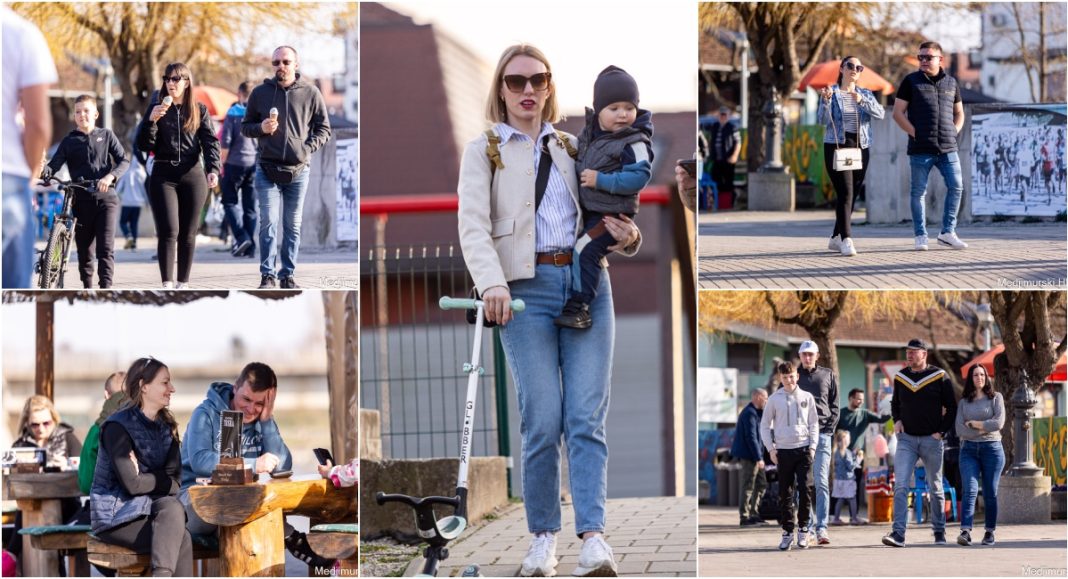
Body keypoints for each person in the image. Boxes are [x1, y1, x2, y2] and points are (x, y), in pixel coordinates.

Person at [457, 44, 641, 578]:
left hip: (586, 283)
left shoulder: (571, 144)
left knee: (586, 417)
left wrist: (629, 238)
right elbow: (472, 224)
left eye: (537, 80)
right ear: (501, 90)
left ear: (550, 85)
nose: (528, 90)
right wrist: (489, 283)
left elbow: (609, 209)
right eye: (516, 82)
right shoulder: (484, 149)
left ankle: (593, 539)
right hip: (522, 290)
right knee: (543, 419)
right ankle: (542, 539)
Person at [178, 362, 332, 570]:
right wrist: (253, 464)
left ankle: (294, 545)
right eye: (246, 399)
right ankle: (295, 540)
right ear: (235, 388)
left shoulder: (262, 419)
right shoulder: (205, 414)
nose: (251, 409)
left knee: (256, 512)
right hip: (195, 502)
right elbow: (200, 462)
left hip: (240, 502)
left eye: (259, 403)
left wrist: (267, 420)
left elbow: (282, 467)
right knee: (251, 515)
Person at [554, 65, 652, 329]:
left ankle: (580, 307)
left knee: (585, 248)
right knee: (582, 249)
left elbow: (640, 176)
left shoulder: (634, 141)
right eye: (614, 108)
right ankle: (576, 300)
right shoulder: (587, 136)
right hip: (594, 210)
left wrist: (601, 180)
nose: (623, 115)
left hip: (613, 214)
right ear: (598, 110)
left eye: (629, 108)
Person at [90, 358, 192, 577]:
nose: (172, 389)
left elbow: (175, 484)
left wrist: (143, 476)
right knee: (181, 535)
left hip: (153, 511)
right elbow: (132, 486)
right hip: (116, 517)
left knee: (175, 516)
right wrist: (156, 479)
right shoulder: (117, 427)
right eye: (165, 383)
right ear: (144, 386)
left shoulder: (167, 427)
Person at [242, 46, 332, 289]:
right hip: (266, 168)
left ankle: (287, 274)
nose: (280, 66)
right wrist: (261, 128)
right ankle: (267, 275)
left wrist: (306, 148)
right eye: (276, 62)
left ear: (296, 64)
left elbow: (324, 129)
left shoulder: (311, 93)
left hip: (298, 170)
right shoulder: (260, 93)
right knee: (268, 223)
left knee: (292, 226)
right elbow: (245, 126)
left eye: (285, 61)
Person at [136, 62, 220, 288]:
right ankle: (167, 283)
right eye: (167, 78)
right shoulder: (156, 107)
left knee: (188, 233)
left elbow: (210, 142)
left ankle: (183, 282)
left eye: (176, 79)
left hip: (192, 174)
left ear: (186, 82)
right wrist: (151, 121)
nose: (170, 83)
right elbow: (143, 144)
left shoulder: (199, 109)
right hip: (163, 174)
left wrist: (213, 169)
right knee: (168, 231)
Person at [40, 95, 131, 288]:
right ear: (74, 116)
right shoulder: (69, 141)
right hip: (80, 201)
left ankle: (106, 289)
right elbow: (54, 165)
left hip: (106, 200)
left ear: (96, 114)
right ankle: (87, 289)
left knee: (105, 250)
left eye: (86, 111)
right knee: (84, 253)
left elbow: (124, 160)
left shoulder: (106, 135)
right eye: (78, 112)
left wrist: (110, 177)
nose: (82, 115)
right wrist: (45, 172)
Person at [892, 41, 968, 251]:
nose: (923, 61)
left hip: (948, 147)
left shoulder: (952, 83)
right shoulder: (910, 81)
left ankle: (947, 232)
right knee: (918, 192)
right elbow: (897, 113)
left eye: (928, 57)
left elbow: (959, 112)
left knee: (957, 186)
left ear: (940, 59)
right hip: (920, 149)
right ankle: (920, 236)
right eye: (921, 57)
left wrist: (955, 130)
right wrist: (914, 132)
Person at [882, 338, 957, 548]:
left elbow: (952, 407)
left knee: (935, 486)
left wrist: (941, 432)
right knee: (901, 485)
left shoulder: (940, 377)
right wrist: (896, 420)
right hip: (906, 440)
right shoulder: (901, 377)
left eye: (914, 352)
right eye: (908, 352)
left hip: (931, 440)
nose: (909, 355)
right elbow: (894, 404)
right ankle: (898, 534)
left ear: (924, 354)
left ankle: (939, 532)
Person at [2, 7, 56, 288]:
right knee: (11, 295)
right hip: (6, 170)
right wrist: (31, 171)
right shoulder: (21, 34)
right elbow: (38, 125)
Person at [817, 57, 885, 257]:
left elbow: (880, 113)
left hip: (861, 146)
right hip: (837, 146)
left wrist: (862, 100)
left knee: (852, 193)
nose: (854, 69)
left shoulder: (864, 93)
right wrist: (826, 101)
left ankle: (835, 237)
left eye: (859, 67)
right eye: (850, 66)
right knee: (846, 191)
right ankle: (847, 239)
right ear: (842, 69)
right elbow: (821, 120)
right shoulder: (832, 91)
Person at [760, 361, 819, 551]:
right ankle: (787, 532)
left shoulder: (807, 397)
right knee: (785, 493)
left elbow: (814, 424)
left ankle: (803, 530)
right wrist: (771, 449)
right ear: (780, 378)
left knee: (806, 489)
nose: (789, 380)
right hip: (783, 451)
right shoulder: (774, 399)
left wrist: (812, 447)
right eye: (785, 377)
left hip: (803, 449)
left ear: (797, 376)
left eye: (791, 376)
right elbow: (764, 425)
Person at [955, 364, 1005, 547]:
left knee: (990, 492)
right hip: (968, 450)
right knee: (970, 490)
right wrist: (985, 426)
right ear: (971, 378)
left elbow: (998, 423)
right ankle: (965, 531)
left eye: (982, 374)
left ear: (986, 377)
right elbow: (959, 429)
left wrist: (975, 424)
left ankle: (989, 532)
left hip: (992, 449)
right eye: (975, 375)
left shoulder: (996, 398)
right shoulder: (963, 403)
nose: (979, 378)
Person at [795, 340, 839, 546]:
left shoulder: (828, 375)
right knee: (803, 484)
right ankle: (809, 527)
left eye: (811, 354)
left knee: (821, 481)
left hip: (822, 435)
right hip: (799, 436)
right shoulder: (792, 376)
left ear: (817, 356)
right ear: (800, 356)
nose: (807, 358)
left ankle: (822, 528)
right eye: (804, 354)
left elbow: (835, 406)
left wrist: (829, 429)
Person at [835, 386, 891, 521]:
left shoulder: (865, 414)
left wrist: (893, 409)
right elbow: (832, 433)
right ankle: (834, 516)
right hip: (842, 456)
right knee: (839, 487)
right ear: (850, 398)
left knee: (855, 487)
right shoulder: (841, 414)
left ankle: (854, 516)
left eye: (862, 399)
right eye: (858, 399)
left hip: (857, 456)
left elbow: (882, 419)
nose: (860, 401)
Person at [220, 81, 258, 258]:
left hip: (234, 164)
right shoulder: (259, 114)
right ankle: (250, 246)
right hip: (253, 165)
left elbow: (225, 143)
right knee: (250, 207)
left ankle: (242, 237)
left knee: (229, 202)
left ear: (239, 93)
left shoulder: (233, 114)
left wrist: (221, 164)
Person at [79, 371, 129, 496]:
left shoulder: (96, 431)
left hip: (107, 507)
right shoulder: (149, 422)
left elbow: (86, 484)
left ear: (106, 395)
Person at [731, 388, 768, 526]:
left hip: (756, 456)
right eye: (765, 397)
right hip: (750, 457)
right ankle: (744, 516)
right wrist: (759, 458)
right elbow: (751, 437)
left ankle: (754, 513)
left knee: (761, 483)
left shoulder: (757, 413)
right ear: (758, 397)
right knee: (748, 485)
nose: (766, 400)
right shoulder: (749, 414)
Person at [706, 106, 740, 201]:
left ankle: (729, 201)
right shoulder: (715, 126)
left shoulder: (732, 127)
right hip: (717, 159)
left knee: (728, 181)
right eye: (721, 114)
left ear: (728, 116)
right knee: (716, 178)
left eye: (725, 115)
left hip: (728, 159)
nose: (723, 117)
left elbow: (738, 142)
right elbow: (710, 140)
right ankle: (720, 200)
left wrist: (734, 156)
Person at [830, 430, 863, 525]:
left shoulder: (836, 452)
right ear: (845, 441)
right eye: (848, 439)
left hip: (839, 480)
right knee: (852, 498)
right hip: (847, 481)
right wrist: (858, 460)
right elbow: (850, 466)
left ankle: (836, 518)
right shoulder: (847, 452)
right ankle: (854, 518)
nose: (849, 441)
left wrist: (853, 454)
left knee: (840, 499)